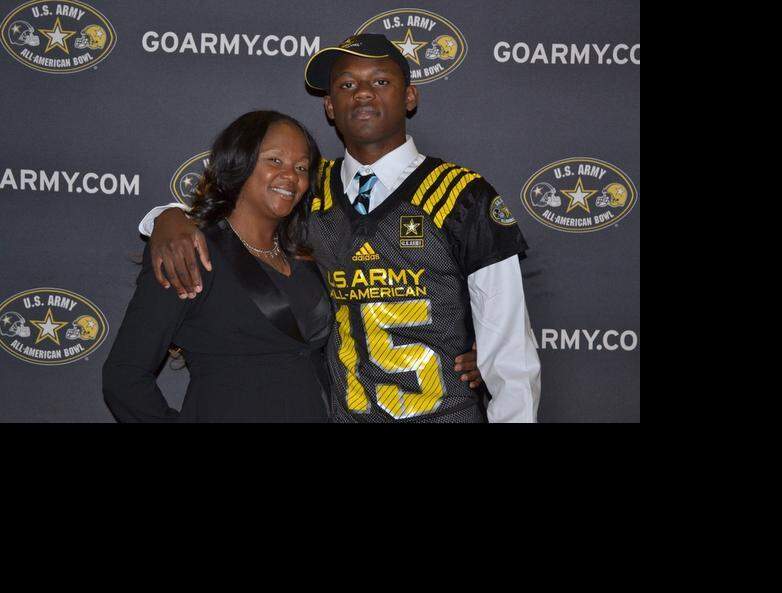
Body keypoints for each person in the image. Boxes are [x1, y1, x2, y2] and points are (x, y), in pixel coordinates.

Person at [140, 34, 541, 423]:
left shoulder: (461, 196)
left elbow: (508, 350)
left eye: (380, 81)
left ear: (410, 96)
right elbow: (231, 215)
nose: (363, 93)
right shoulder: (306, 189)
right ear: (330, 106)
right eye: (347, 84)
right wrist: (167, 217)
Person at [103, 111, 331, 422]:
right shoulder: (189, 253)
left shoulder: (304, 258)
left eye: (301, 167)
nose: (290, 176)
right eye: (274, 161)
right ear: (239, 162)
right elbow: (124, 376)